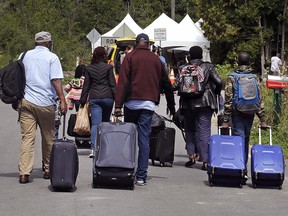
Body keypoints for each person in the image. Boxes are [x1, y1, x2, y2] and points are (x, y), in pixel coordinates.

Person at [114, 33, 175, 186]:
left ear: (136, 43)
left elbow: (123, 82)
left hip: (131, 104)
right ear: (148, 44)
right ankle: (141, 176)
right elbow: (167, 84)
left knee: (130, 138)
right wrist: (172, 106)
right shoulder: (156, 60)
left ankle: (128, 170)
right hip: (148, 105)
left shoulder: (130, 57)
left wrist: (118, 106)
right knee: (143, 139)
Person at [18, 31, 67, 184]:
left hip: (26, 102)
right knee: (48, 138)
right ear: (49, 43)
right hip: (46, 103)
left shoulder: (23, 56)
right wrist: (62, 99)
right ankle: (48, 169)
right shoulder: (52, 58)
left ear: (35, 43)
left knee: (27, 138)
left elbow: (18, 76)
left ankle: (24, 173)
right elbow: (55, 80)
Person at [174, 46, 222, 171]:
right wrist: (215, 92)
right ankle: (205, 160)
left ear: (189, 55)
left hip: (187, 103)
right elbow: (219, 81)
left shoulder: (182, 68)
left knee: (189, 129)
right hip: (205, 102)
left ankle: (191, 156)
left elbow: (175, 85)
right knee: (204, 131)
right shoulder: (208, 67)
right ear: (201, 55)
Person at [222, 51, 267, 167]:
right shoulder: (254, 77)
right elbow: (259, 98)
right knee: (246, 138)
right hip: (251, 111)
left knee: (239, 138)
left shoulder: (232, 77)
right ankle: (243, 166)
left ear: (238, 61)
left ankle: (240, 167)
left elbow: (228, 100)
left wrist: (226, 120)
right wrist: (262, 119)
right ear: (249, 62)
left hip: (237, 112)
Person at [79, 46, 116, 158]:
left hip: (95, 98)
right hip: (108, 98)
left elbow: (86, 86)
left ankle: (94, 149)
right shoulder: (109, 68)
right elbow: (112, 84)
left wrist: (82, 100)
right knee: (105, 123)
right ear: (105, 55)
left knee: (95, 124)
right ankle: (104, 148)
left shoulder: (89, 68)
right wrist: (118, 102)